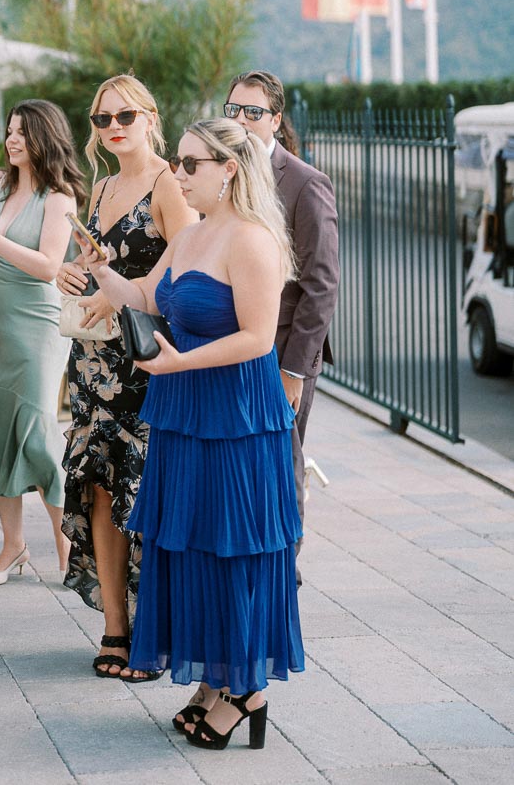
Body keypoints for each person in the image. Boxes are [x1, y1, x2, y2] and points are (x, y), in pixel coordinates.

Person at [84, 118, 303, 747]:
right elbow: (145, 297)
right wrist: (102, 271)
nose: (177, 174)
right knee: (188, 544)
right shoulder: (191, 237)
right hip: (183, 412)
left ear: (228, 168)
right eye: (178, 163)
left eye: (190, 164)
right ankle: (216, 679)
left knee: (230, 546)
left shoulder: (254, 240)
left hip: (234, 417)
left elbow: (259, 339)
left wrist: (179, 362)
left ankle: (245, 687)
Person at [56, 75, 195, 681]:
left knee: (146, 495)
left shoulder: (170, 183)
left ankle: (154, 631)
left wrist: (123, 294)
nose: (114, 127)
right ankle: (115, 625)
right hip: (94, 364)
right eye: (102, 118)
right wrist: (76, 273)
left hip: (144, 364)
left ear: (150, 117)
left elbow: (184, 264)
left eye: (126, 116)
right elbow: (100, 266)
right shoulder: (105, 185)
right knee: (98, 491)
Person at [0, 100, 87, 583]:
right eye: (10, 131)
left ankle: (70, 544)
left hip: (36, 323)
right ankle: (13, 547)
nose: (12, 139)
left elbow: (50, 266)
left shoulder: (59, 198)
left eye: (22, 132)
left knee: (36, 431)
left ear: (44, 137)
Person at [224, 71, 339, 529]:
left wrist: (293, 370)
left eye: (253, 113)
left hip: (281, 351)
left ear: (275, 120)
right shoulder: (222, 172)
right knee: (238, 470)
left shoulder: (306, 184)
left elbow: (322, 284)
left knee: (279, 468)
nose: (242, 121)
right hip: (228, 343)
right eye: (233, 111)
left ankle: (284, 573)